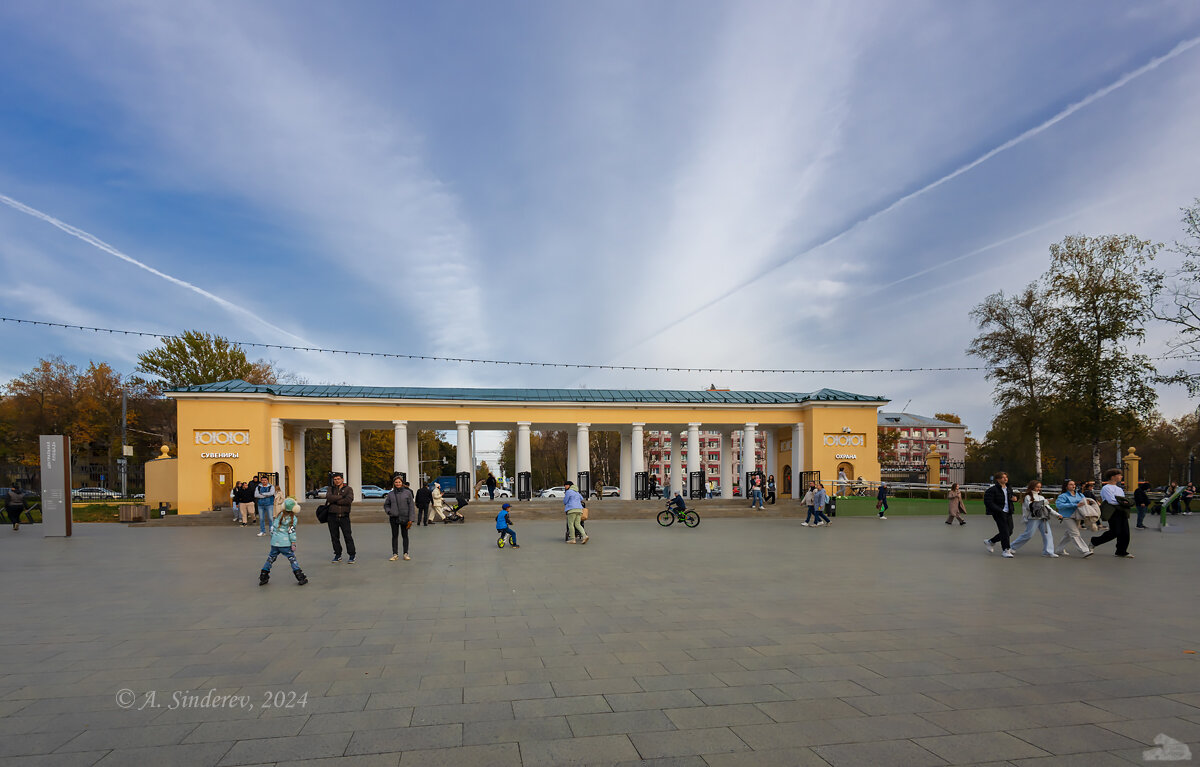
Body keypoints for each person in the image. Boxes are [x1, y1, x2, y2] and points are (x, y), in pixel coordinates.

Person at [258, 498, 308, 586]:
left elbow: (273, 529)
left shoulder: (279, 515)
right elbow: (291, 532)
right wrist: (293, 543)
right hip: (285, 544)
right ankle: (300, 577)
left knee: (270, 559)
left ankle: (263, 575)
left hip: (275, 542)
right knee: (292, 559)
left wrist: (274, 537)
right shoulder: (293, 518)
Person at [1010, 479, 1062, 557]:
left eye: (1039, 487)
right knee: (1028, 535)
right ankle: (1011, 547)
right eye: (1037, 487)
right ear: (1032, 487)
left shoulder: (1041, 497)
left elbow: (1048, 508)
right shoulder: (1027, 497)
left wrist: (1057, 515)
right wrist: (1045, 502)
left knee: (1048, 534)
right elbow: (1032, 507)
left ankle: (1048, 551)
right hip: (1032, 519)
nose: (1039, 489)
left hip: (1043, 518)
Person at [1092, 468, 1133, 558]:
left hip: (1122, 511)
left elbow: (1122, 499)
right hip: (1113, 512)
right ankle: (1094, 541)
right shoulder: (1106, 488)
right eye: (1119, 475)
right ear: (1113, 477)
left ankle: (1121, 551)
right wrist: (1123, 502)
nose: (1121, 476)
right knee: (1115, 532)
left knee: (1125, 532)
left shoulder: (1119, 489)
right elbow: (1111, 501)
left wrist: (1124, 502)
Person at [1053, 479, 1093, 557]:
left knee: (1068, 534)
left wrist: (1088, 502)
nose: (1073, 486)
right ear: (1066, 486)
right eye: (1071, 484)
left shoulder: (1080, 495)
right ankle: (1084, 550)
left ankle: (1059, 550)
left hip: (1078, 516)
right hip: (1067, 516)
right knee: (1075, 533)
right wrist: (1075, 504)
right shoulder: (1063, 496)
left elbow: (1085, 502)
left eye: (1074, 484)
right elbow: (1059, 505)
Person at [983, 471, 1017, 557]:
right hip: (998, 513)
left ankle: (991, 542)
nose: (1005, 479)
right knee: (1005, 531)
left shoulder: (1009, 488)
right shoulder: (992, 490)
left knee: (1009, 531)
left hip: (1008, 512)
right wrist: (999, 510)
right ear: (998, 479)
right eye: (1003, 477)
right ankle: (1006, 550)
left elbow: (1010, 497)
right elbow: (988, 502)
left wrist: (1014, 499)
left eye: (1006, 477)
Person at [383, 474, 416, 561]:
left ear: (402, 483)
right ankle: (395, 554)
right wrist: (389, 511)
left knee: (405, 535)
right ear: (394, 483)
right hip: (394, 517)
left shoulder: (407, 493)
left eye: (399, 482)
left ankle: (406, 553)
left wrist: (411, 518)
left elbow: (411, 506)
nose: (398, 484)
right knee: (395, 536)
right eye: (396, 482)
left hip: (405, 517)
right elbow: (386, 505)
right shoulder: (390, 494)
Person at [326, 472, 356, 563]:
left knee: (347, 536)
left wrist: (335, 500)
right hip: (332, 516)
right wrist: (341, 497)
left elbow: (348, 500)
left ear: (342, 479)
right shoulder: (330, 489)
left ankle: (352, 555)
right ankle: (338, 555)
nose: (337, 481)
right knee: (334, 537)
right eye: (335, 479)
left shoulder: (348, 489)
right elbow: (329, 498)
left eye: (338, 479)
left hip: (344, 516)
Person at [563, 480, 588, 544]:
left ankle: (572, 539)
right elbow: (581, 499)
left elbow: (565, 501)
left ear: (569, 486)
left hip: (572, 510)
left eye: (565, 485)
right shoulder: (577, 492)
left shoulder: (568, 492)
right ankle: (585, 536)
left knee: (571, 524)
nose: (565, 486)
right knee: (578, 524)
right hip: (579, 510)